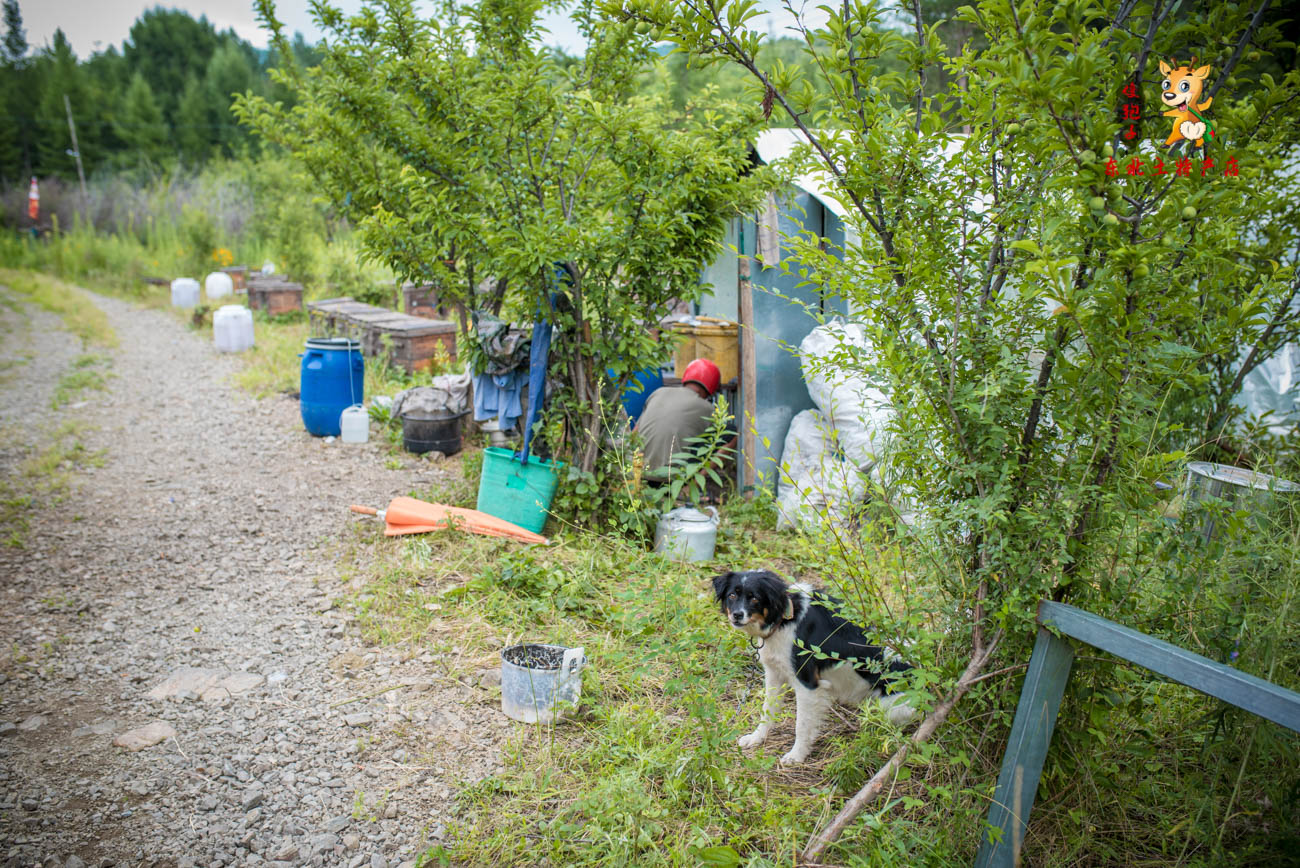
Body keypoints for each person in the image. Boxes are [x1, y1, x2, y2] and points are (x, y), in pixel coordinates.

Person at [635, 358, 732, 476]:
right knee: (731, 433)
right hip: (671, 476)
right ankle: (689, 487)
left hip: (637, 472)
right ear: (710, 388)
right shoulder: (706, 408)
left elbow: (635, 431)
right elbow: (719, 436)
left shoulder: (658, 392)